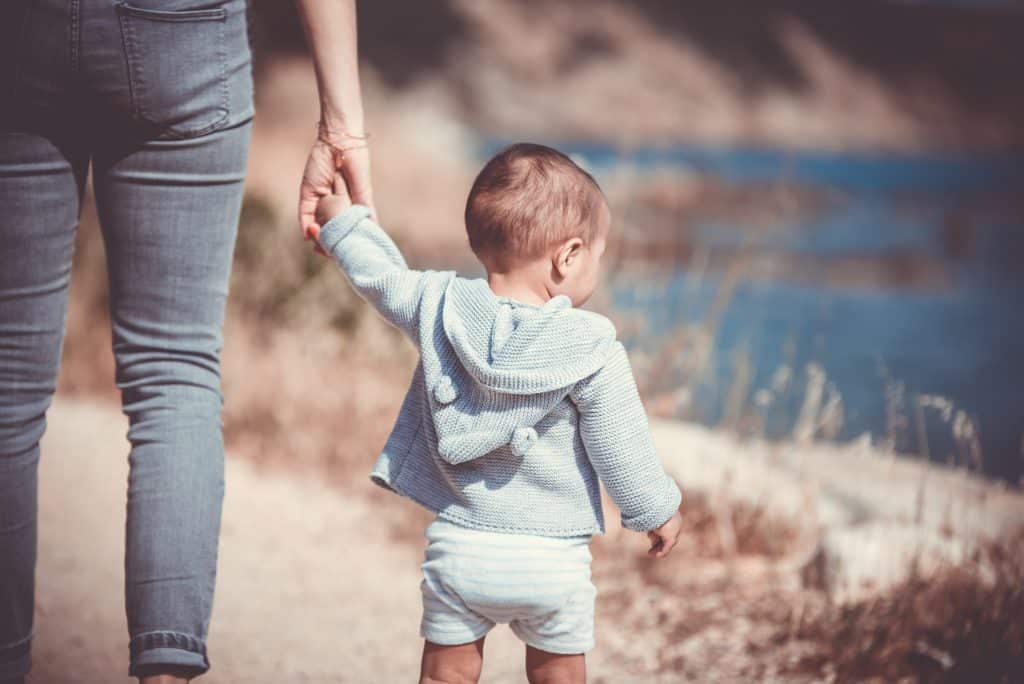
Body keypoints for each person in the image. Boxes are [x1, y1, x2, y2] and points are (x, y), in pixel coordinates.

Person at [0, 1, 371, 682]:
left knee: (6, 386)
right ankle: (165, 674)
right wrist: (342, 125)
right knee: (175, 374)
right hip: (182, 30)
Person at [309, 143, 684, 684]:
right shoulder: (590, 345)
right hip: (552, 559)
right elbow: (621, 443)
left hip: (462, 547)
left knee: (446, 675)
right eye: (599, 256)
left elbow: (381, 276)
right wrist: (656, 511)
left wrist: (339, 219)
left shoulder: (438, 304)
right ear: (569, 255)